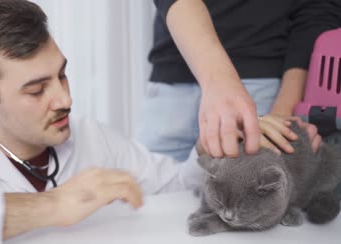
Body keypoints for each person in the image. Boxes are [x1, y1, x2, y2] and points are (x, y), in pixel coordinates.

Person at [0, 0, 320, 244]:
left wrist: (211, 152)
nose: (64, 99)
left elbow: (175, 186)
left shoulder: (90, 135)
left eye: (62, 76)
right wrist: (48, 208)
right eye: (37, 89)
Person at [136, 0, 340, 161]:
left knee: (249, 203)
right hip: (172, 84)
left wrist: (283, 112)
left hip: (262, 88)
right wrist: (218, 81)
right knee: (145, 204)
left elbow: (317, 9)